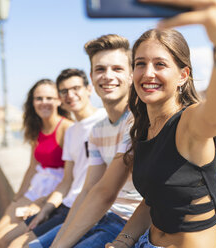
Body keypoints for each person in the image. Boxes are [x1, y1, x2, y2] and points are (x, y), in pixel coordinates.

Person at [106, 0, 216, 247]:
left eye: (160, 64)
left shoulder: (188, 121)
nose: (148, 73)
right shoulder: (143, 128)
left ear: (183, 76)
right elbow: (153, 200)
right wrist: (123, 240)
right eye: (140, 64)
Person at [30, 34, 143, 248]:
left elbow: (104, 193)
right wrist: (62, 234)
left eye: (117, 69)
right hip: (101, 216)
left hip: (128, 224)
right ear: (92, 77)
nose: (108, 76)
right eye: (100, 69)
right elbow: (89, 189)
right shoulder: (97, 131)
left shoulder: (137, 122)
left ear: (130, 75)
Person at [4, 69, 107, 247]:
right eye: (64, 91)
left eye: (76, 88)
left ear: (89, 89)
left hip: (90, 210)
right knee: (12, 243)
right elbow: (67, 181)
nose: (70, 95)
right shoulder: (72, 132)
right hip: (65, 206)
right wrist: (46, 208)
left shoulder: (104, 120)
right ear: (60, 97)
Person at [0, 79, 73, 248]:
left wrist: (43, 203)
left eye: (49, 98)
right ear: (32, 102)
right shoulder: (37, 128)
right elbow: (32, 167)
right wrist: (18, 197)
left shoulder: (67, 128)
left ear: (58, 100)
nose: (44, 103)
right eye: (39, 98)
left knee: (5, 240)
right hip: (34, 189)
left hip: (53, 194)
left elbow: (72, 177)